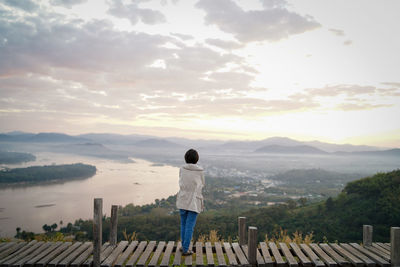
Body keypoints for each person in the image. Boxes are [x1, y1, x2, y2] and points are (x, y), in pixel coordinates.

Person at [176, 149, 205, 256]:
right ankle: (186, 249)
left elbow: (181, 180)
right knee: (189, 226)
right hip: (194, 201)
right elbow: (202, 184)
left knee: (183, 224)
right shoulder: (200, 171)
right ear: (197, 159)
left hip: (182, 199)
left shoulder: (182, 169)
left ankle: (184, 246)